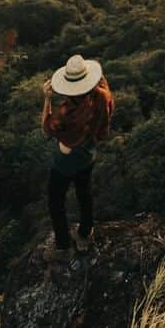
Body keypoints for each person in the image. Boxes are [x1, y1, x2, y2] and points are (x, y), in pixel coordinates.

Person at [40, 54, 114, 257]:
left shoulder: (66, 112)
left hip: (66, 160)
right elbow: (103, 125)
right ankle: (85, 232)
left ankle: (63, 245)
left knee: (55, 200)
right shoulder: (103, 95)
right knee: (84, 191)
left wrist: (47, 99)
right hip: (88, 152)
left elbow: (46, 128)